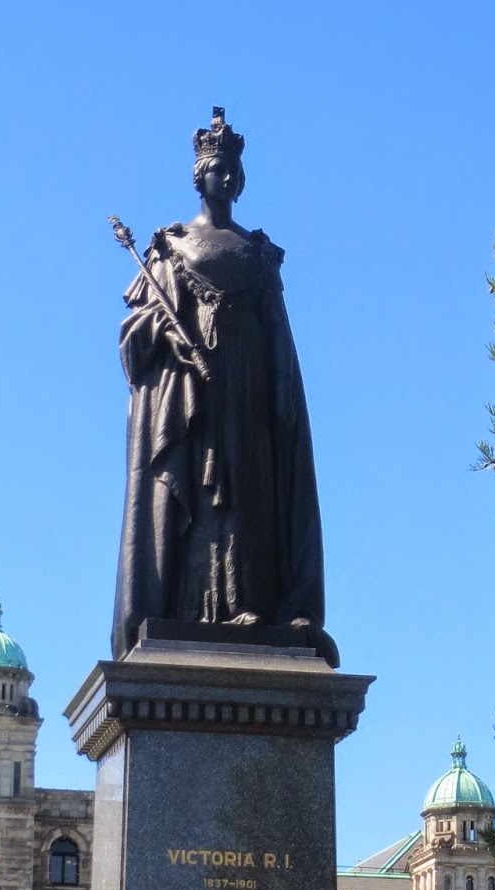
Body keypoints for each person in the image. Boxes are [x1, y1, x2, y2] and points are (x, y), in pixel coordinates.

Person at [111, 108, 334, 666]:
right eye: (217, 169)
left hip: (249, 389)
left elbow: (278, 332)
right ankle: (189, 609)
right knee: (200, 495)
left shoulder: (258, 252)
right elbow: (135, 333)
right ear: (200, 176)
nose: (227, 179)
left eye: (234, 170)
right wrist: (167, 332)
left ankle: (251, 603)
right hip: (193, 394)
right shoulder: (170, 245)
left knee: (252, 496)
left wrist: (281, 396)